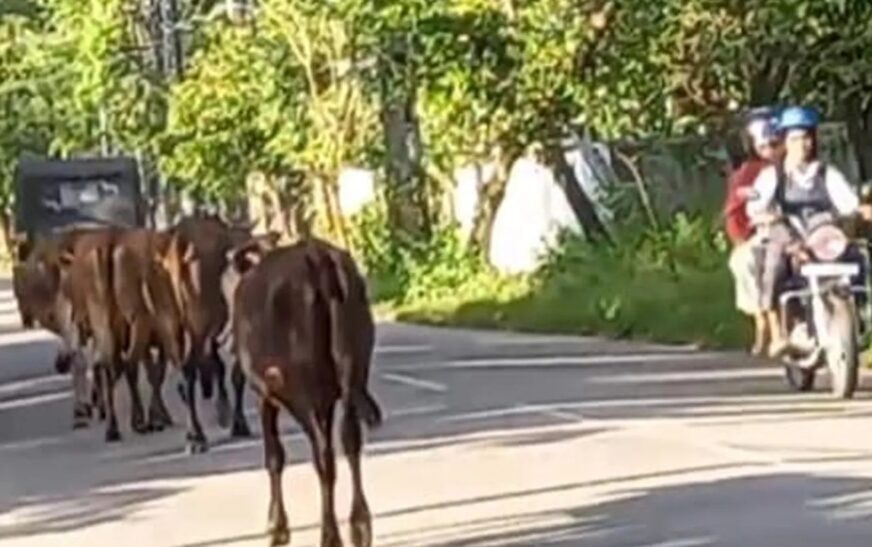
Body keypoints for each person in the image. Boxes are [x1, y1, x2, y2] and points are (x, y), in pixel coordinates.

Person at [746, 105, 872, 356]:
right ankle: (780, 332)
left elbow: (849, 204)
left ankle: (860, 314)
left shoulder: (827, 174)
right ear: (784, 141)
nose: (802, 144)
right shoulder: (773, 176)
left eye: (807, 137)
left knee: (859, 258)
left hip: (823, 238)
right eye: (795, 138)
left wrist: (863, 210)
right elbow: (754, 207)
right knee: (774, 264)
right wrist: (765, 216)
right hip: (788, 236)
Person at [724, 107, 783, 356]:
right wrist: (742, 235)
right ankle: (766, 324)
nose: (771, 148)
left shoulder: (806, 166)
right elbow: (737, 211)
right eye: (764, 143)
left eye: (774, 141)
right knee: (750, 260)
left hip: (806, 229)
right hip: (763, 232)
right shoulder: (748, 173)